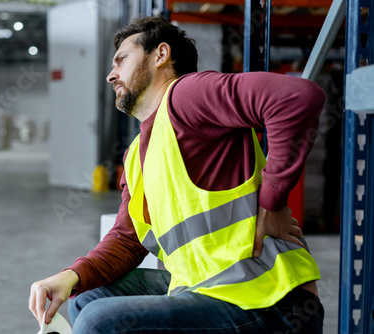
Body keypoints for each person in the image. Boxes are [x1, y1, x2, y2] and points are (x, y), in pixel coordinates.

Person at [29, 16, 326, 333]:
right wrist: (72, 275)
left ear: (160, 55)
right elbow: (127, 241)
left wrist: (273, 203)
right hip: (207, 292)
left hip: (272, 304)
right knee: (84, 298)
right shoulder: (137, 155)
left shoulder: (187, 96)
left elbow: (297, 98)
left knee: (97, 321)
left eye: (121, 60)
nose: (110, 75)